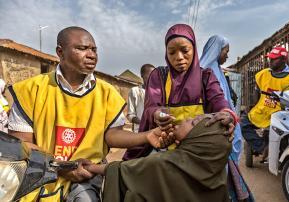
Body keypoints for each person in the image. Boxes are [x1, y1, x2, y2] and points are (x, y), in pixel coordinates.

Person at [7, 26, 173, 202]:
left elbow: (112, 135)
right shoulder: (31, 90)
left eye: (94, 49)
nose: (92, 55)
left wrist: (146, 136)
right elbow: (22, 144)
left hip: (87, 175)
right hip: (41, 173)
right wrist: (60, 166)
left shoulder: (107, 93)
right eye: (82, 48)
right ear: (60, 52)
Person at [123, 24, 237, 162]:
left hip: (200, 151)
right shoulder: (159, 76)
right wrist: (156, 114)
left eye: (185, 50)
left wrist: (226, 113)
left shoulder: (206, 76)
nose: (179, 57)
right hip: (165, 149)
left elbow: (218, 100)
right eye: (172, 52)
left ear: (194, 49)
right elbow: (151, 107)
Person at [86, 115, 232, 202]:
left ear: (199, 138)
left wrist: (89, 167)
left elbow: (123, 170)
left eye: (193, 122)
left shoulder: (164, 163)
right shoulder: (217, 172)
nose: (187, 118)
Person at [241, 46, 289, 155]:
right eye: (270, 58)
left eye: (274, 59)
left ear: (284, 60)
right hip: (263, 112)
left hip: (284, 115)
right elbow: (257, 90)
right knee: (242, 124)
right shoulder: (263, 74)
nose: (270, 61)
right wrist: (253, 105)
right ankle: (263, 148)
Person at [199, 35, 243, 164]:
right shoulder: (205, 72)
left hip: (225, 118)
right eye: (226, 51)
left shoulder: (218, 70)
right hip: (214, 124)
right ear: (217, 50)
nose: (227, 56)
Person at [127, 64, 155, 132]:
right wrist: (143, 123)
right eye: (150, 75)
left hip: (155, 131)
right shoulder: (135, 91)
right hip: (139, 131)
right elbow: (131, 115)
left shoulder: (158, 92)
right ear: (142, 75)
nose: (153, 77)